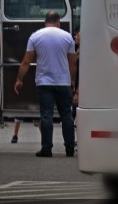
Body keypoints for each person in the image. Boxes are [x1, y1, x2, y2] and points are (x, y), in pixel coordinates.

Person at [14, 10, 78, 157]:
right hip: (63, 82)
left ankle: (46, 149)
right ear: (58, 22)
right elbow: (72, 62)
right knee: (66, 115)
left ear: (45, 21)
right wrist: (72, 80)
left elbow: (26, 62)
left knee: (46, 115)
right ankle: (69, 149)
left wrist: (19, 79)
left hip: (44, 82)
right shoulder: (67, 37)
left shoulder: (36, 36)